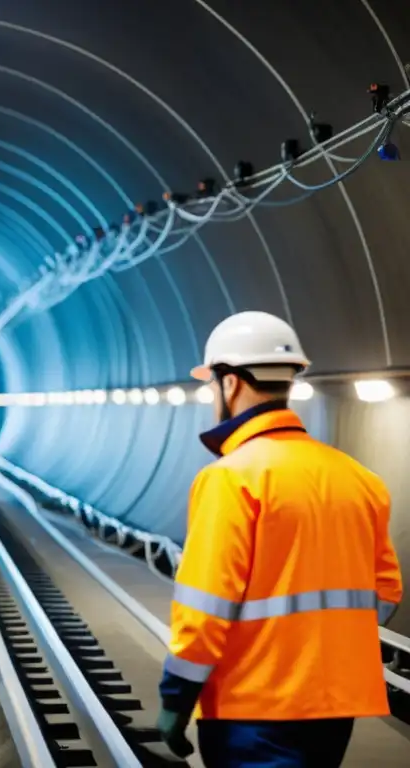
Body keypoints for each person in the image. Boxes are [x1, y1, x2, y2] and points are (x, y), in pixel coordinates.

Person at [156, 310, 403, 767]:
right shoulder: (358, 479)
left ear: (229, 383)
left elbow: (204, 608)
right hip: (335, 706)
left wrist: (176, 698)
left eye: (212, 383)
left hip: (253, 707)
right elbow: (385, 592)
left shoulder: (232, 479)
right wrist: (325, 653)